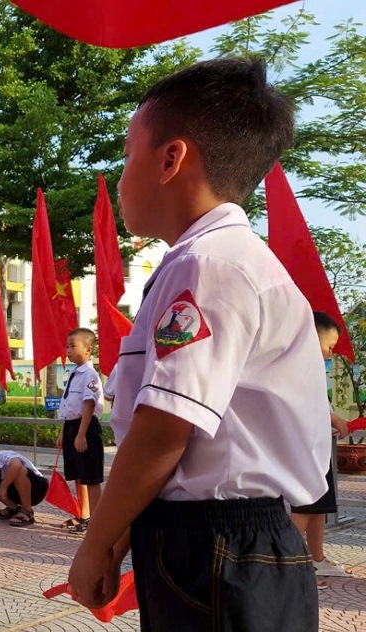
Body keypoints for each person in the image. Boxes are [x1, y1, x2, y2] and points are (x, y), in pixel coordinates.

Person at [67, 58, 329, 632]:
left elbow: (165, 426)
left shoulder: (208, 265)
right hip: (228, 543)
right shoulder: (214, 260)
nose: (119, 173)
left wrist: (97, 540)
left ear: (171, 158)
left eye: (128, 152)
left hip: (218, 546)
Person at [290, 312, 352, 584]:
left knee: (319, 505)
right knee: (305, 506)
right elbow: (301, 401)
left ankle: (316, 559)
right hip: (304, 447)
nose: (330, 353)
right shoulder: (295, 363)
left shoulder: (311, 365)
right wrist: (334, 417)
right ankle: (289, 569)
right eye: (329, 346)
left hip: (316, 444)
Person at [55, 328, 104, 532]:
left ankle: (97, 521)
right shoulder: (75, 372)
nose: (68, 350)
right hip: (72, 426)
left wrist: (81, 434)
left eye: (73, 346)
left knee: (91, 477)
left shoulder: (90, 375)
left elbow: (88, 405)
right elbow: (70, 405)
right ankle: (84, 515)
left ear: (88, 349)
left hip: (86, 428)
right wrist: (63, 432)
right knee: (78, 474)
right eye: (67, 346)